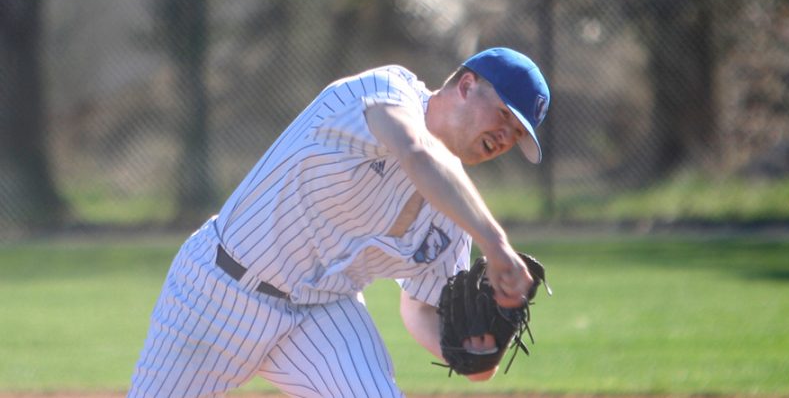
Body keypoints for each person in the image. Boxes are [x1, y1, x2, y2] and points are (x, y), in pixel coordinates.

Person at [128, 47, 551, 397]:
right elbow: (416, 153)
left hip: (322, 312)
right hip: (221, 289)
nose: (505, 137)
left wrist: (475, 350)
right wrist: (496, 243)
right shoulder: (386, 90)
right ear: (466, 85)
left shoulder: (455, 213)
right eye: (504, 117)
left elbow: (420, 306)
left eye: (517, 135)